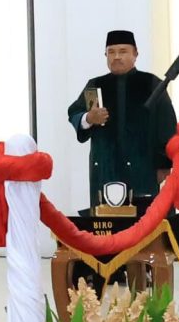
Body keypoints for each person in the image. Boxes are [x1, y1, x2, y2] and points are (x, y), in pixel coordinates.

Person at [68, 30, 173, 207]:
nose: (116, 57)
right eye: (111, 52)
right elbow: (74, 113)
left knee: (144, 217)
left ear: (135, 54)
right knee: (106, 219)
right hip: (105, 168)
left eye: (123, 51)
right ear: (105, 55)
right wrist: (89, 118)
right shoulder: (96, 84)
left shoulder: (151, 83)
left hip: (143, 167)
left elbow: (167, 125)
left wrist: (164, 164)